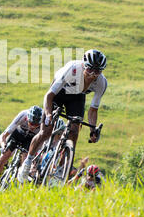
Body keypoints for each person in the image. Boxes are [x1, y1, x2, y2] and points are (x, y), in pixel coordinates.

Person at [18, 49, 107, 183]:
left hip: (77, 98)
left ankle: (61, 169)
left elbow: (93, 109)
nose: (93, 75)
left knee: (74, 131)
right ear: (84, 65)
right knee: (46, 131)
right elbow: (49, 95)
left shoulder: (101, 82)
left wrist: (92, 129)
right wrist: (48, 114)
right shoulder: (72, 69)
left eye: (97, 71)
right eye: (90, 70)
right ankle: (27, 163)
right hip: (59, 93)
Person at [0, 106, 43, 189]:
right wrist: (4, 146)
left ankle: (21, 184)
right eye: (31, 123)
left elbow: (42, 143)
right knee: (4, 156)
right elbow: (3, 136)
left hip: (31, 139)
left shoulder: (44, 122)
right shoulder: (23, 115)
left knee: (26, 158)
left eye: (36, 125)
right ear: (27, 119)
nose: (33, 127)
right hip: (18, 134)